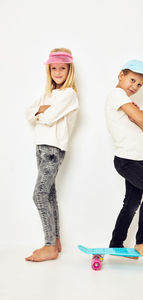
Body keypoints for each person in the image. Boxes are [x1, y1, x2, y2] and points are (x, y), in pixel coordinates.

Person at [105, 60, 143, 261]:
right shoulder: (117, 95)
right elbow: (142, 118)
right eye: (132, 80)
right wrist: (141, 115)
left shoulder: (125, 101)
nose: (135, 87)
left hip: (140, 160)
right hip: (126, 160)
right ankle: (142, 240)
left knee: (131, 203)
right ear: (121, 74)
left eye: (139, 85)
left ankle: (116, 243)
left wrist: (141, 118)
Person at [25, 48, 79, 262]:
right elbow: (29, 113)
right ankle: (55, 240)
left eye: (62, 68)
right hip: (40, 146)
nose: (58, 72)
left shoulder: (69, 94)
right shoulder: (47, 94)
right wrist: (42, 109)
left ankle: (49, 246)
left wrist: (42, 112)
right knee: (48, 194)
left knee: (38, 195)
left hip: (53, 148)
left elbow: (48, 118)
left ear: (69, 70)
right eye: (54, 68)